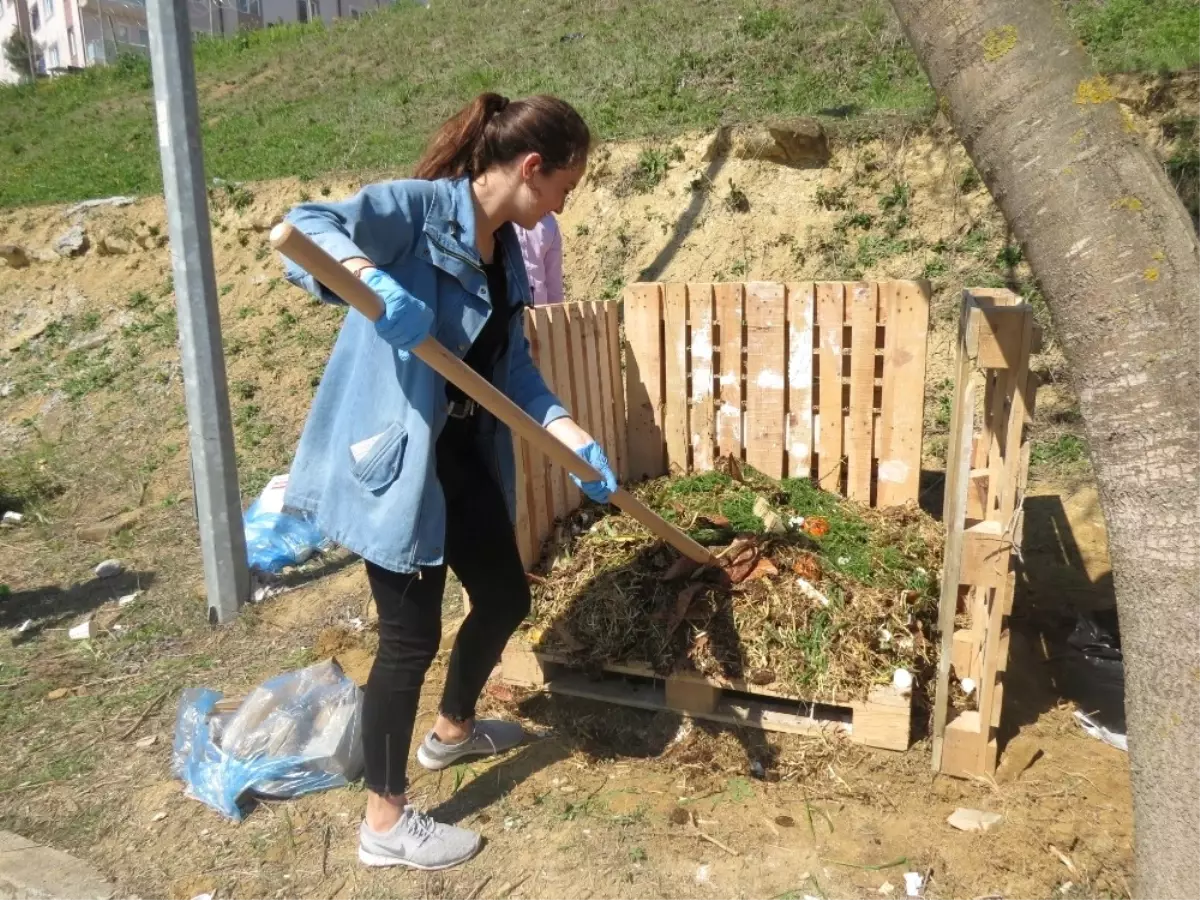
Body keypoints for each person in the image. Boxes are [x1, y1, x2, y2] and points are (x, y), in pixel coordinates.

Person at [279, 93, 618, 871]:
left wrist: (575, 440)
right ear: (531, 169)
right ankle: (385, 823)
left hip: (459, 455)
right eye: (566, 186)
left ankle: (454, 731)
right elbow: (307, 226)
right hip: (398, 463)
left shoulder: (506, 250)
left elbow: (515, 370)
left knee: (504, 596)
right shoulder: (419, 210)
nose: (566, 201)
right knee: (408, 638)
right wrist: (374, 281)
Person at [515, 212, 564, 305]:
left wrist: (556, 316)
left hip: (541, 312)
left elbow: (554, 284)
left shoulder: (549, 223)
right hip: (506, 315)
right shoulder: (498, 219)